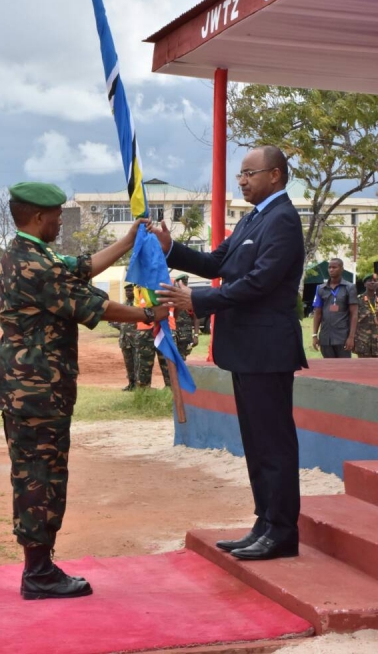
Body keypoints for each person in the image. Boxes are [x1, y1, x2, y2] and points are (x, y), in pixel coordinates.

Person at [0, 182, 168, 600]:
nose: (59, 221)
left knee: (40, 474)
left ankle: (41, 565)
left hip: (31, 387)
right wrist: (148, 313)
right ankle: (38, 573)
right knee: (39, 477)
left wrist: (127, 241)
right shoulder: (37, 266)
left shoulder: (29, 255)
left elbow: (82, 266)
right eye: (55, 216)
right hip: (36, 390)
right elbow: (97, 306)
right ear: (38, 218)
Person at [150, 145, 308, 561]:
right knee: (256, 442)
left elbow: (259, 283)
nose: (241, 181)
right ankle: (265, 522)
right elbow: (215, 261)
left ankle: (282, 531)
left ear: (274, 175)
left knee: (273, 443)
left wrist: (196, 300)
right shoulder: (254, 219)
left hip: (267, 349)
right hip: (244, 349)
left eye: (248, 173)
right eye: (240, 174)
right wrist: (171, 248)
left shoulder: (284, 221)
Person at [312, 258, 358, 358]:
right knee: (329, 368)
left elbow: (354, 314)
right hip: (325, 337)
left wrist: (351, 337)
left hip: (342, 337)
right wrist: (314, 335)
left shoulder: (350, 287)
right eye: (329, 267)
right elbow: (317, 313)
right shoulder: (321, 288)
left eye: (334, 267)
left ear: (341, 269)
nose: (331, 270)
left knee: (344, 369)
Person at [134, 284, 174, 387]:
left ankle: (172, 392)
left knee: (168, 364)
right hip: (144, 330)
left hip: (164, 328)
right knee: (143, 365)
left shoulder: (165, 283)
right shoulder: (138, 288)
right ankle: (143, 393)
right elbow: (136, 306)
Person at [114, 282, 137, 391]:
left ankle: (138, 384)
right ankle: (131, 384)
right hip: (125, 340)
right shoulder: (123, 305)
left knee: (137, 363)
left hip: (135, 340)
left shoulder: (138, 305)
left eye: (130, 290)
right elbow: (116, 321)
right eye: (126, 291)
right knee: (129, 364)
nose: (128, 293)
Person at [174, 274, 199, 360]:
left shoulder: (190, 297)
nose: (185, 284)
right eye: (182, 282)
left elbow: (196, 317)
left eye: (186, 282)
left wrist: (196, 335)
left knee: (182, 359)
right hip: (173, 333)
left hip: (185, 335)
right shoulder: (172, 297)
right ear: (177, 283)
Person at [354, 273, 378, 358]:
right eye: (369, 281)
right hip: (363, 341)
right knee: (364, 368)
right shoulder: (358, 300)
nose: (372, 282)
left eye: (375, 281)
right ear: (364, 284)